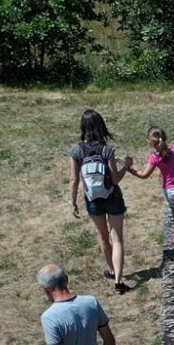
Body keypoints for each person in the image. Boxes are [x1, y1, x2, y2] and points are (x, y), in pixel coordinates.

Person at [69, 109, 132, 295]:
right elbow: (114, 180)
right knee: (117, 238)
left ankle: (112, 271)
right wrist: (126, 167)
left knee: (104, 237)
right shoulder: (107, 150)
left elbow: (74, 179)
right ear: (102, 126)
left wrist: (73, 203)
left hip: (92, 200)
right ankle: (119, 282)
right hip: (113, 197)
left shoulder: (77, 151)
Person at [125, 126, 174, 259]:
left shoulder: (155, 158)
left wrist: (128, 169)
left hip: (170, 190)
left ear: (149, 142)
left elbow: (144, 175)